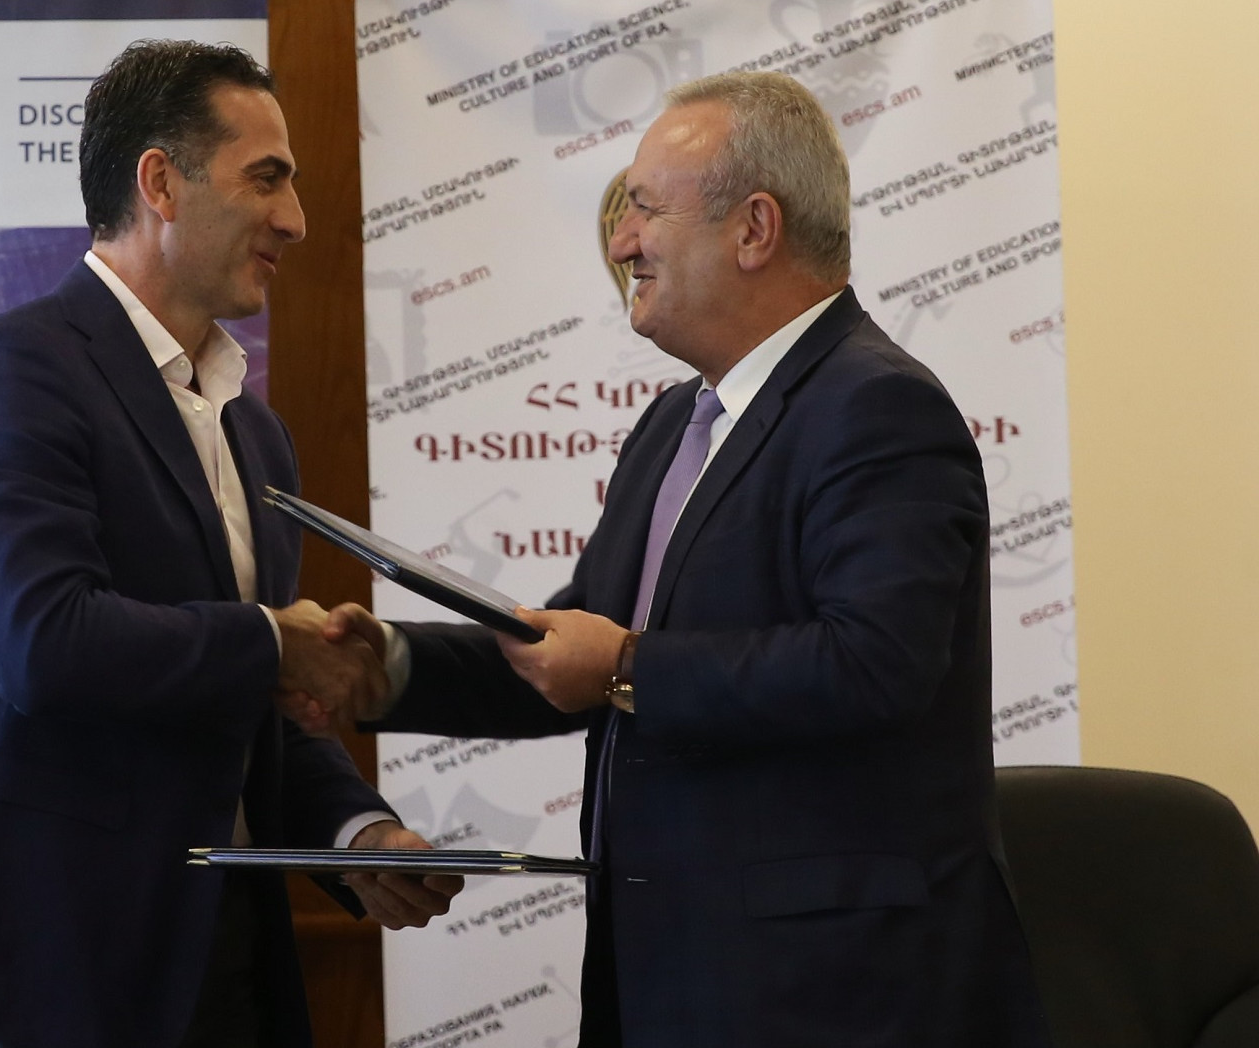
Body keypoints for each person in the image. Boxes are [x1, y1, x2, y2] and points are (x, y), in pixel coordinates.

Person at [324, 72, 1051, 1046]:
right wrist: (380, 669)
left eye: (644, 210)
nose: (621, 241)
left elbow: (875, 664)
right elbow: (568, 647)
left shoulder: (879, 406)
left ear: (754, 229)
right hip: (667, 974)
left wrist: (625, 666)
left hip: (834, 997)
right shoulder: (673, 425)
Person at [0, 40, 459, 1048]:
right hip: (42, 977)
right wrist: (275, 640)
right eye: (266, 179)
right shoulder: (14, 371)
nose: (296, 219)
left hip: (223, 963)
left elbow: (246, 703)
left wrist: (359, 831)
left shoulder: (254, 432)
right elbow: (45, 643)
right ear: (160, 183)